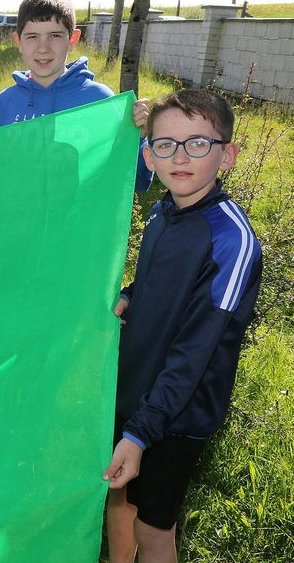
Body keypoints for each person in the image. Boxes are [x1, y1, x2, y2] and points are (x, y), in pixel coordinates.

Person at [104, 89, 262, 563]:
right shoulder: (160, 213)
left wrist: (141, 432)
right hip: (132, 393)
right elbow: (155, 282)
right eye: (166, 145)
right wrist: (131, 294)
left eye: (198, 143)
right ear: (148, 156)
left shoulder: (231, 239)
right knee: (116, 500)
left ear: (227, 155)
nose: (180, 157)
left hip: (176, 415)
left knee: (154, 527)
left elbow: (197, 351)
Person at [0, 0, 152, 192]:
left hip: (77, 222)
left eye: (55, 35)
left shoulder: (99, 100)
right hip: (18, 221)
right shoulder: (4, 103)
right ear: (18, 42)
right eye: (32, 37)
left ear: (72, 40)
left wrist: (137, 138)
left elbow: (135, 181)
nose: (43, 48)